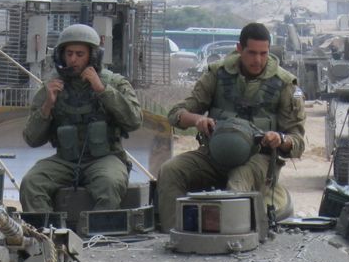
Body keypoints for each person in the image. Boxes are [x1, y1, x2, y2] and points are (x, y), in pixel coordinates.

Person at [156, 22, 306, 231]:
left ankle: (231, 241)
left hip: (257, 160)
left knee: (237, 184)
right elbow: (175, 114)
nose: (258, 60)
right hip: (214, 154)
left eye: (263, 53)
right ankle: (173, 234)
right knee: (170, 171)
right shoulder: (217, 75)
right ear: (239, 49)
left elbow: (298, 141)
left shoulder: (284, 84)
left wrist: (280, 139)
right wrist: (197, 120)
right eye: (252, 53)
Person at [19, 23, 142, 213]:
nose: (73, 60)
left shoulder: (114, 83)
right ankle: (47, 236)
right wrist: (47, 106)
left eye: (79, 54)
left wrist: (102, 90)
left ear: (92, 56)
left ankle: (99, 238)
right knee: (31, 183)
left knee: (109, 185)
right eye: (69, 54)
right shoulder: (52, 87)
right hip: (65, 161)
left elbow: (134, 121)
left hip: (105, 158)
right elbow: (32, 139)